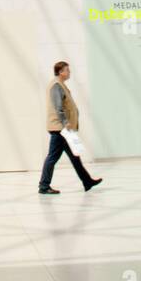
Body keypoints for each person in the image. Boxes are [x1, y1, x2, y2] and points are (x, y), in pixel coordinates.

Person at [38, 62, 102, 195]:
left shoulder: (60, 85)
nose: (69, 72)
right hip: (60, 128)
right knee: (52, 157)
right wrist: (65, 122)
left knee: (74, 156)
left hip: (62, 128)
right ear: (60, 72)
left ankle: (87, 181)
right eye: (67, 70)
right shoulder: (56, 85)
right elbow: (58, 107)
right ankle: (44, 186)